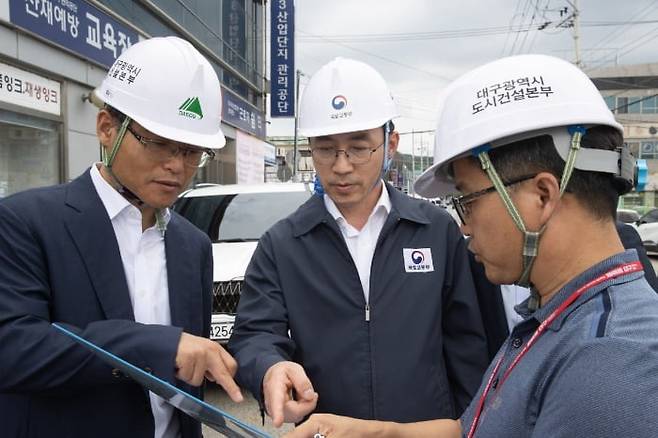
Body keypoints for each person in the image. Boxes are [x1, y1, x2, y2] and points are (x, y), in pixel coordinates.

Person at [284, 54, 658, 437]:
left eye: (468, 200)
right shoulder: (562, 319)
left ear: (542, 196)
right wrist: (378, 433)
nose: (463, 226)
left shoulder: (611, 362)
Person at [0, 36, 243, 438]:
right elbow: (14, 348)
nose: (175, 166)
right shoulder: (25, 222)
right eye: (158, 143)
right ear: (107, 128)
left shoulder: (192, 245)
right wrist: (155, 346)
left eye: (191, 152)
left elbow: (188, 385)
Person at [228, 57, 489, 428]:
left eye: (359, 147)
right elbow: (254, 334)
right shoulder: (283, 244)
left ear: (390, 143)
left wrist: (473, 425)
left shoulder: (436, 231)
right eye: (325, 148)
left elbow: (469, 344)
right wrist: (270, 368)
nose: (342, 165)